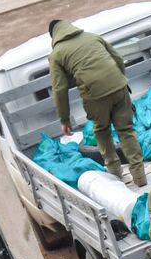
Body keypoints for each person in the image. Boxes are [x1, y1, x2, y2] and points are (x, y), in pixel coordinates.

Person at [48, 19, 145, 187]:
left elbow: (59, 89)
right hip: (119, 86)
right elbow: (118, 59)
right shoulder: (92, 37)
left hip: (95, 94)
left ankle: (115, 172)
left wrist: (64, 119)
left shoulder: (57, 54)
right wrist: (120, 80)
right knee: (126, 131)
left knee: (102, 131)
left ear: (53, 36)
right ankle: (140, 176)